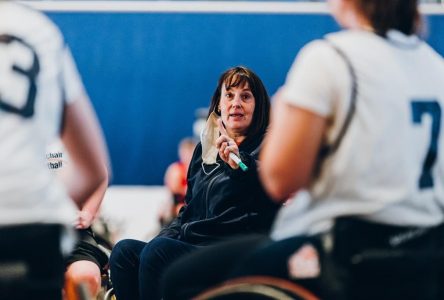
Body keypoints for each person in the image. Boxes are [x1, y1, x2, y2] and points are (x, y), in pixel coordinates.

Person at [160, 0, 444, 299]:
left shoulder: (331, 58)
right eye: (229, 96)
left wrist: (283, 118)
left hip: (345, 253)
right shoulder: (435, 68)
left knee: (180, 277)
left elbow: (280, 182)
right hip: (425, 252)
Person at [109, 66, 280, 300]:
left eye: (246, 96)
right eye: (229, 95)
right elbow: (187, 210)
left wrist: (240, 163)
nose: (236, 103)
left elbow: (267, 180)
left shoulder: (270, 146)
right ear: (219, 105)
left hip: (233, 249)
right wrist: (162, 237)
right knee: (124, 252)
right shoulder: (203, 150)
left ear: (258, 106)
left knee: (158, 253)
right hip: (191, 245)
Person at [0, 2, 109, 299]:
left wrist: (80, 214)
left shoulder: (55, 143)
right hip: (36, 224)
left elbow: (97, 175)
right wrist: (47, 209)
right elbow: (94, 168)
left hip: (52, 220)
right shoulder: (39, 30)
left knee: (84, 273)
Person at [47, 142, 109, 298]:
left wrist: (88, 213)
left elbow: (100, 173)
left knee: (86, 276)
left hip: (71, 230)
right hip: (22, 230)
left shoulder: (67, 128)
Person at [163, 137, 197, 218]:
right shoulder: (175, 169)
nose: (187, 156)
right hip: (178, 203)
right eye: (185, 153)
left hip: (193, 202)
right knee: (177, 208)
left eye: (190, 152)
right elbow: (174, 190)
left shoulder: (198, 169)